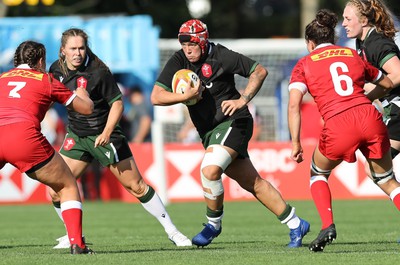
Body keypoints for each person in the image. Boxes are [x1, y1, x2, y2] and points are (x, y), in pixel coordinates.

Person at [151, 19, 310, 248]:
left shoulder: (221, 56)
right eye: (183, 43)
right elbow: (156, 96)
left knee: (209, 170)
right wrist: (184, 97)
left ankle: (213, 224)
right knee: (252, 182)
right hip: (210, 132)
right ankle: (296, 223)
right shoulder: (179, 60)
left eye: (192, 43)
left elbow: (259, 71)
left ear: (203, 42)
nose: (187, 48)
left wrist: (243, 99)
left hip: (235, 122)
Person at [48, 28, 192, 249]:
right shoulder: (55, 69)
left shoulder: (98, 71)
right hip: (76, 135)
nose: (78, 53)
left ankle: (173, 232)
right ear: (63, 50)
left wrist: (106, 133)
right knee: (55, 188)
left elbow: (117, 103)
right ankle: (74, 235)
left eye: (81, 48)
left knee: (136, 186)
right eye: (73, 48)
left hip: (104, 134)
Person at [287, 9, 400, 252]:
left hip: (339, 122)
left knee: (318, 174)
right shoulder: (351, 54)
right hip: (370, 117)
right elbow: (388, 81)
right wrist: (367, 95)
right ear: (333, 38)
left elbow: (294, 105)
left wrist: (295, 143)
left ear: (310, 43)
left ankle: (327, 225)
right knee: (386, 180)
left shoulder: (304, 64)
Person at [0, 41, 94, 254]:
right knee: (67, 185)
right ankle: (77, 245)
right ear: (41, 61)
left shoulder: (1, 78)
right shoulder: (46, 79)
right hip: (22, 138)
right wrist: (83, 93)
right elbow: (85, 108)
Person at [342, 1, 400, 171]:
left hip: (398, 110)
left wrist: (369, 97)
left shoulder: (376, 43)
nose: (344, 23)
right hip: (393, 110)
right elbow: (378, 81)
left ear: (364, 21)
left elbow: (397, 73)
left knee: (376, 169)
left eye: (348, 18)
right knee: (376, 169)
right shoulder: (363, 43)